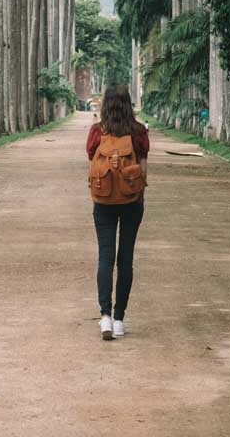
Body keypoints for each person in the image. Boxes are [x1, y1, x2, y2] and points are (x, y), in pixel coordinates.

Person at [86, 85, 149, 340]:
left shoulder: (96, 132)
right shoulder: (139, 132)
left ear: (105, 105)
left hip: (103, 202)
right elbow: (143, 169)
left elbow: (92, 162)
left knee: (105, 258)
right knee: (125, 260)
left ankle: (105, 317)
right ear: (128, 104)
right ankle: (120, 318)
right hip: (132, 201)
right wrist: (138, 192)